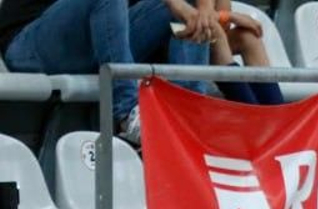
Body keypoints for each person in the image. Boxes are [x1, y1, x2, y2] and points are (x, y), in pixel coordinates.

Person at [0, 0, 216, 146]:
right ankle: (127, 115)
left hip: (103, 37)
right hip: (31, 43)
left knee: (191, 13)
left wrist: (203, 11)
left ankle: (189, 121)